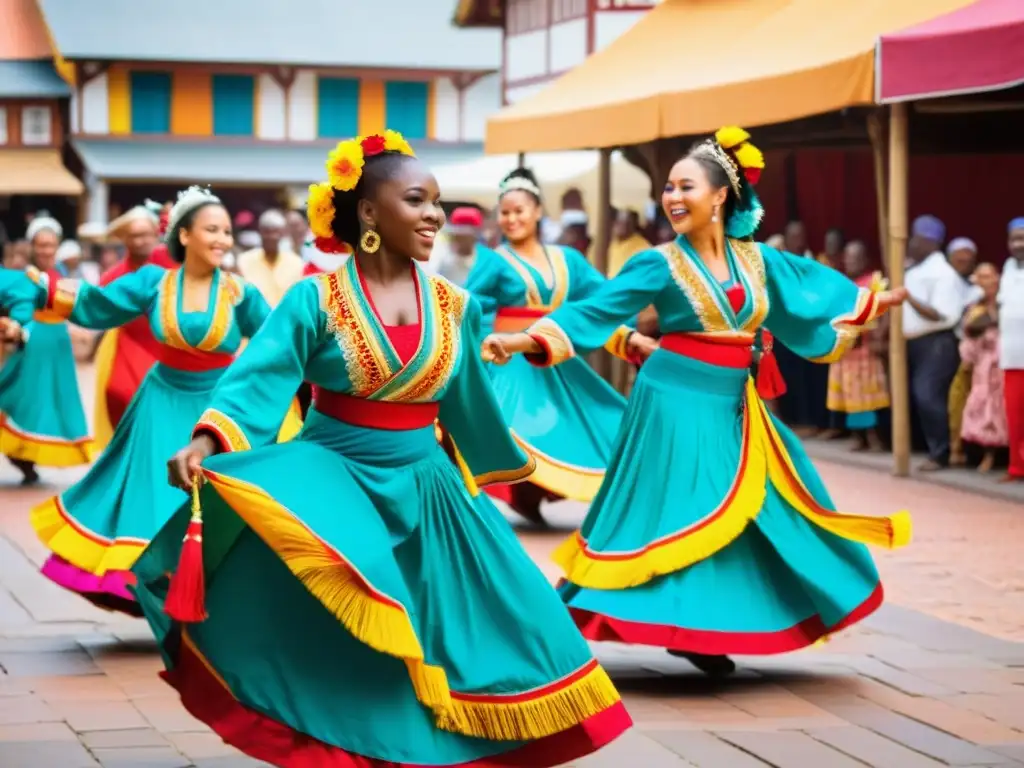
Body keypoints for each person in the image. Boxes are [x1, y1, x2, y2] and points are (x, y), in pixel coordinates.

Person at [132, 131, 629, 767]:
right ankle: (354, 743)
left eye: (438, 203)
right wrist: (208, 439)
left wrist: (503, 467)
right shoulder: (315, 298)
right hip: (334, 475)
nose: (434, 215)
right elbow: (258, 380)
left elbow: (470, 401)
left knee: (507, 619)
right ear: (368, 213)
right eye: (417, 200)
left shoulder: (457, 305)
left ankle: (431, 744)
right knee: (340, 632)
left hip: (427, 487)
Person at [483, 126, 911, 677]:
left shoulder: (759, 262)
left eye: (686, 186)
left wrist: (870, 302)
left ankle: (709, 626)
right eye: (668, 188)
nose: (673, 198)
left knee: (772, 505)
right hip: (673, 401)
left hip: (735, 402)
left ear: (720, 196)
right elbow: (598, 310)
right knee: (682, 508)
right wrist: (522, 339)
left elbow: (814, 291)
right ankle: (655, 627)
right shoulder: (658, 262)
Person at [29, 187, 296, 617]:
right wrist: (43, 290)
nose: (223, 240)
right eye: (212, 229)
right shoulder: (155, 283)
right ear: (184, 235)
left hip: (217, 412)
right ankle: (162, 601)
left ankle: (207, 602)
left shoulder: (238, 293)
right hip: (159, 405)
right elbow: (101, 303)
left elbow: (278, 339)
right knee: (154, 507)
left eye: (227, 232)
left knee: (217, 508)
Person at [464, 167, 650, 525]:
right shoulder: (493, 260)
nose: (511, 218)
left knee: (590, 424)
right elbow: (473, 307)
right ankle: (515, 496)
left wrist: (630, 334)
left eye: (519, 210)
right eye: (505, 212)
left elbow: (600, 304)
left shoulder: (569, 260)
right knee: (518, 426)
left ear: (538, 212)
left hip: (555, 357)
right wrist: (481, 346)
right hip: (510, 360)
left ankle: (533, 496)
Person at [0, 216, 93, 484]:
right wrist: (18, 328)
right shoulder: (25, 276)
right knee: (23, 398)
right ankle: (21, 458)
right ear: (32, 246)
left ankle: (27, 458)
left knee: (54, 401)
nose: (45, 250)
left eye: (50, 244)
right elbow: (21, 308)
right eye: (40, 245)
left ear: (58, 245)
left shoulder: (62, 275)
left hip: (59, 343)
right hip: (33, 342)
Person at [92, 205, 177, 451]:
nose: (140, 241)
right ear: (125, 240)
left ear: (156, 235)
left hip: (167, 347)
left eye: (145, 234)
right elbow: (97, 310)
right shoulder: (113, 275)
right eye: (134, 235)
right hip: (125, 344)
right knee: (120, 394)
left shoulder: (172, 265)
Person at [904, 219, 980, 471]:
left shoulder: (942, 274)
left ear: (930, 242)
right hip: (916, 343)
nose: (911, 244)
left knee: (928, 395)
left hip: (938, 343)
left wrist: (908, 298)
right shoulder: (914, 270)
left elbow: (943, 315)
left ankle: (942, 452)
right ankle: (930, 447)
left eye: (916, 238)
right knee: (920, 396)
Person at [826, 241, 890, 452]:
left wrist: (879, 334)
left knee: (868, 398)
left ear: (865, 259)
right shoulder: (843, 282)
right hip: (846, 350)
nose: (851, 261)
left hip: (866, 350)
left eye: (856, 257)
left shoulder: (874, 281)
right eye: (848, 257)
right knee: (851, 398)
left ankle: (875, 438)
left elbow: (885, 309)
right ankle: (859, 437)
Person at [774, 220, 831, 437]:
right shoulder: (777, 261)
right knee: (788, 376)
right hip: (783, 331)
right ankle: (792, 421)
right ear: (786, 238)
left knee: (808, 378)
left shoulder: (813, 262)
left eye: (801, 236)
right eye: (793, 236)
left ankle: (812, 421)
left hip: (808, 331)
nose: (798, 241)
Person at [958, 263, 1006, 474]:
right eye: (982, 278)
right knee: (985, 408)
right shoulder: (974, 310)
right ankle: (988, 454)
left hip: (1010, 361)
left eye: (990, 276)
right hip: (985, 367)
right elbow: (969, 340)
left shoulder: (1009, 303)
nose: (987, 282)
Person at [237, 209, 305, 308]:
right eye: (267, 232)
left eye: (275, 232)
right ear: (260, 232)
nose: (271, 237)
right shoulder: (244, 261)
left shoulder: (296, 263)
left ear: (282, 234)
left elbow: (299, 299)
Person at [1000, 218, 1024, 482]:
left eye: (1023, 237)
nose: (1019, 244)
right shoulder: (1007, 269)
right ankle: (1017, 468)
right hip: (1011, 358)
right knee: (1015, 420)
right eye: (1015, 238)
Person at [426, 206, 484, 286]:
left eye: (465, 236)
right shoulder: (441, 256)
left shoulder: (484, 260)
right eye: (458, 235)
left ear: (475, 236)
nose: (460, 239)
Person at [608, 209, 651, 278]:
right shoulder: (610, 243)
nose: (620, 225)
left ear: (633, 224)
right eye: (618, 221)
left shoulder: (643, 247)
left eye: (625, 222)